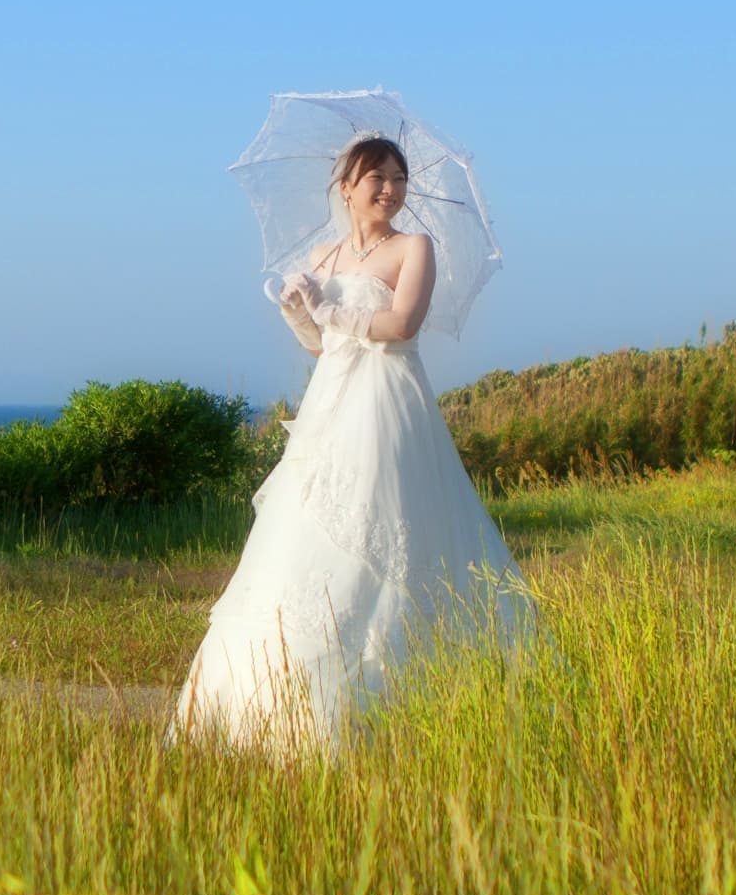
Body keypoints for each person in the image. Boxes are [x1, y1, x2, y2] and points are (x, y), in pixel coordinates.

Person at [179, 134, 535, 751]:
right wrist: (298, 307)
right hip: (330, 407)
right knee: (305, 528)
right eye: (378, 178)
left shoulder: (413, 247)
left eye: (399, 179)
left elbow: (401, 325)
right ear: (346, 187)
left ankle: (404, 690)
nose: (391, 190)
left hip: (388, 404)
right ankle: (266, 710)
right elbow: (320, 347)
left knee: (385, 526)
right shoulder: (323, 255)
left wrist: (332, 309)